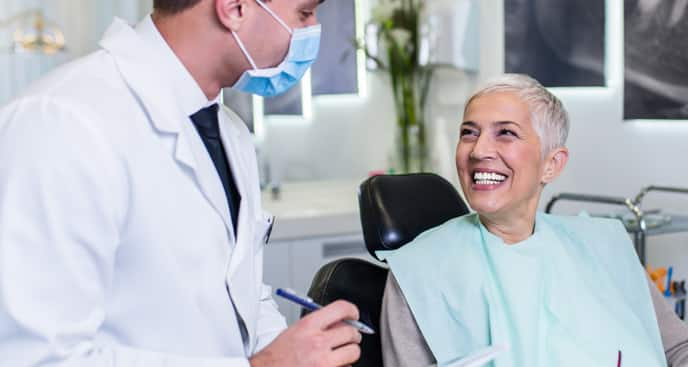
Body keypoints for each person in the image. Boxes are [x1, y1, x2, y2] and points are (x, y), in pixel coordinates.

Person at [0, 1, 361, 366]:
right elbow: (35, 358)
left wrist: (302, 353)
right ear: (234, 8)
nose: (314, 30)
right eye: (304, 13)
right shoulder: (61, 120)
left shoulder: (229, 133)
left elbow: (240, 298)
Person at [378, 74, 688, 367]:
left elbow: (677, 347)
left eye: (506, 133)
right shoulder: (418, 271)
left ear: (552, 165)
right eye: (469, 133)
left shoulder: (604, 245)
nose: (479, 150)